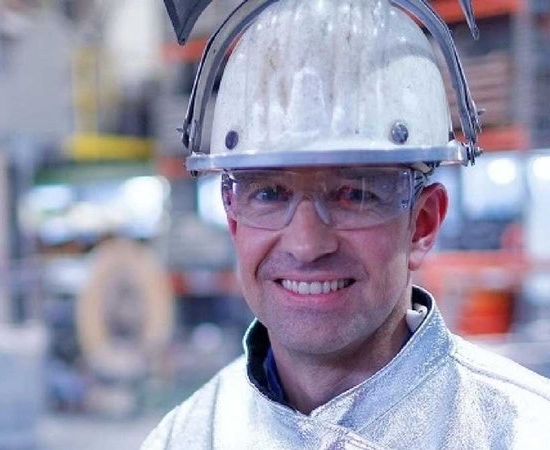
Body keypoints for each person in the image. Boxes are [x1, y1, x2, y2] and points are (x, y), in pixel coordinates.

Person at [143, 0, 550, 448]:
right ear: (233, 221)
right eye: (269, 193)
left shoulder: (523, 431)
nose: (305, 244)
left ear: (423, 225)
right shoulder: (186, 436)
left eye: (354, 194)